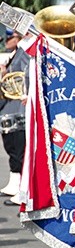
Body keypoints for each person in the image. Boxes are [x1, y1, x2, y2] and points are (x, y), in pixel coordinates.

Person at [0, 29, 27, 206]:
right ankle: (14, 182)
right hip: (9, 107)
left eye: (10, 37)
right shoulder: (12, 55)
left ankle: (20, 188)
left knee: (18, 147)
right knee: (10, 145)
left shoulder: (23, 53)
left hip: (19, 108)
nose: (6, 41)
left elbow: (27, 76)